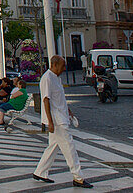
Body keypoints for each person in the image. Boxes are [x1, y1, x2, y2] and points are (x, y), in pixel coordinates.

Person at [33, 55, 92, 188]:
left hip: (61, 117)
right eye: (62, 66)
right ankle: (78, 177)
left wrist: (68, 110)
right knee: (69, 147)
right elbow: (46, 100)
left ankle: (40, 172)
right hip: (57, 120)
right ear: (54, 65)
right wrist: (50, 122)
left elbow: (59, 98)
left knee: (53, 147)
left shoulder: (56, 78)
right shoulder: (47, 78)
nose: (64, 68)